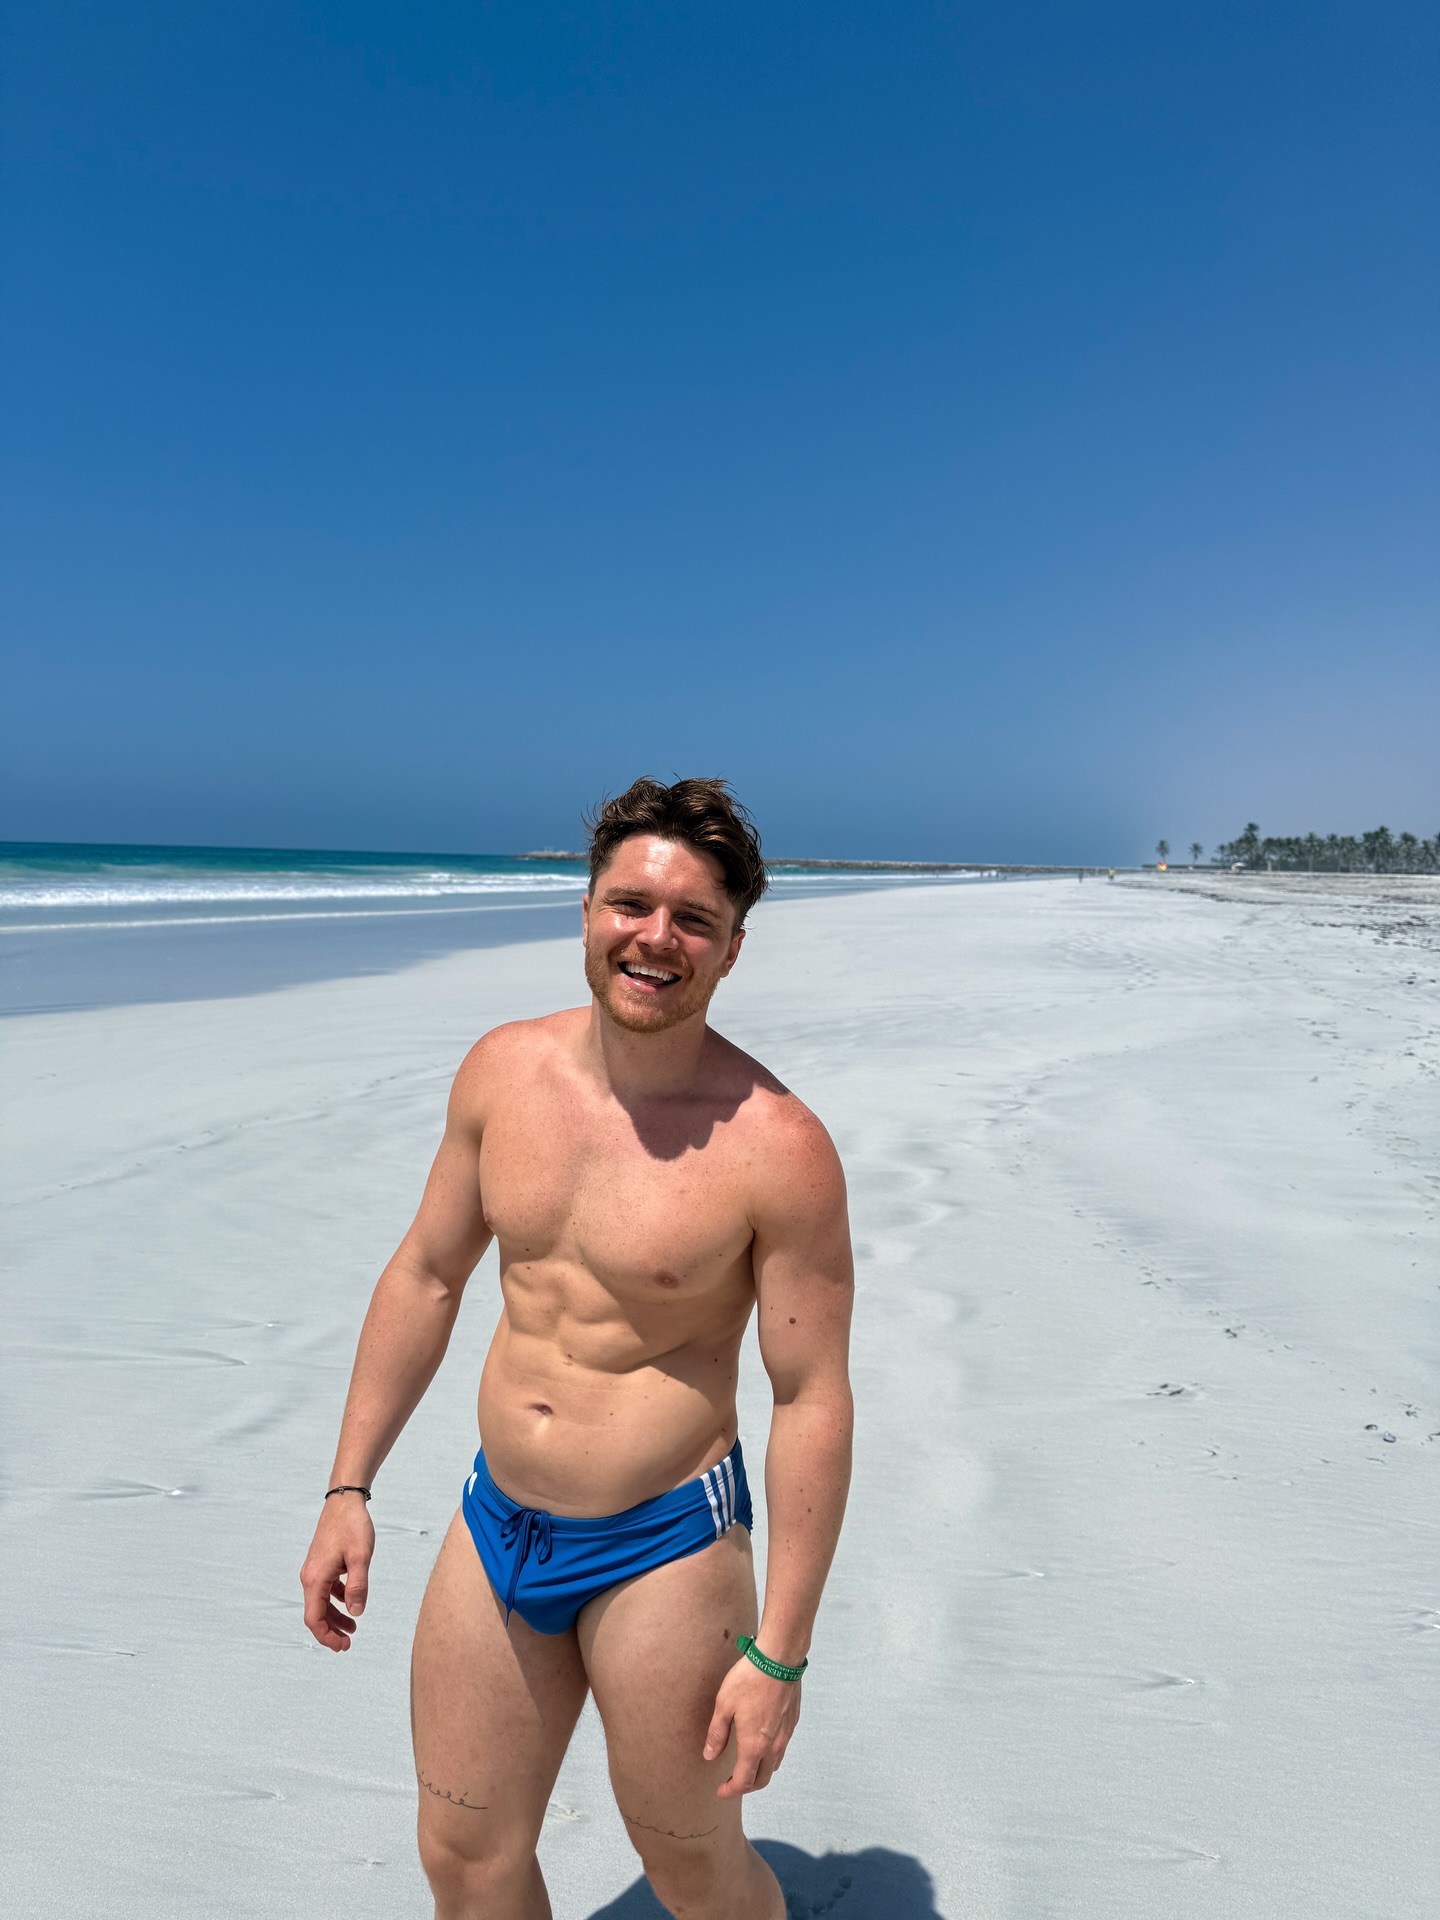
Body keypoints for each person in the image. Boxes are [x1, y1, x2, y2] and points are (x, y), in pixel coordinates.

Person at [300, 776, 855, 1920]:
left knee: (691, 1869)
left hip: (665, 1542)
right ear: (588, 910)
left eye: (693, 919)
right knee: (465, 1857)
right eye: (631, 905)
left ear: (732, 949)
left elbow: (809, 1396)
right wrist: (349, 1486)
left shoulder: (779, 1148)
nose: (656, 938)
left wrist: (782, 1654)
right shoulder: (503, 1072)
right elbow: (427, 1274)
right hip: (496, 1521)